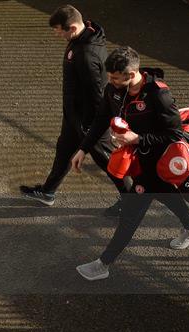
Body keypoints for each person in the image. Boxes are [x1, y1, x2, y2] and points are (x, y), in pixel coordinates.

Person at [72, 46, 189, 281]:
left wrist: (137, 139)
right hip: (139, 162)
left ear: (131, 74)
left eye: (115, 77)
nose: (110, 81)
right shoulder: (114, 89)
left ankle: (103, 264)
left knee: (130, 215)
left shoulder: (158, 94)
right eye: (110, 77)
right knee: (164, 193)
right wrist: (83, 148)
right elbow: (101, 119)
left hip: (156, 161)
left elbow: (174, 134)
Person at [20, 4, 129, 216]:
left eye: (59, 30)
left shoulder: (87, 55)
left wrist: (91, 127)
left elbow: (97, 95)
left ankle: (132, 200)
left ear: (71, 27)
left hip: (88, 121)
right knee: (64, 151)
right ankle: (48, 192)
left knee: (107, 160)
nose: (56, 34)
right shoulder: (81, 37)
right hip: (74, 116)